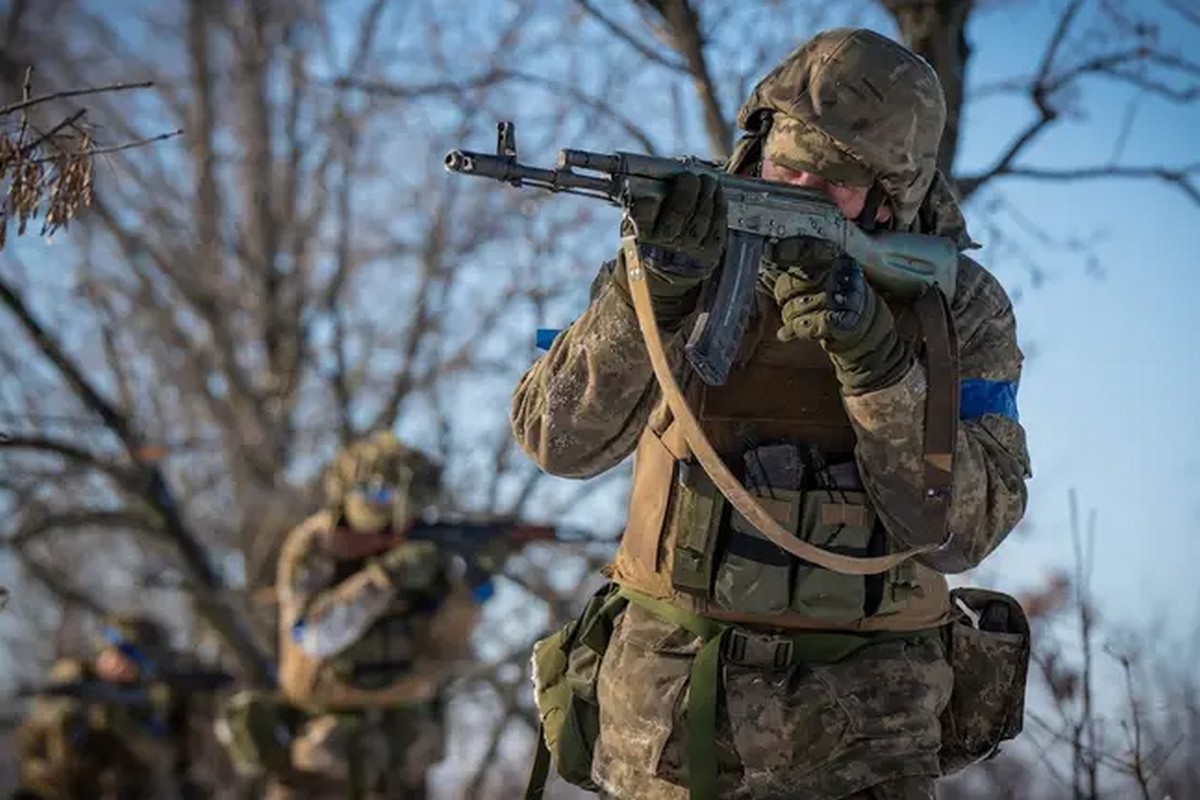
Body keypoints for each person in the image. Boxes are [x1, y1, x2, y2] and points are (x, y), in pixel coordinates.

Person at [513, 26, 1033, 800]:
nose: (795, 193)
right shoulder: (675, 254)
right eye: (784, 164)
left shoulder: (960, 308)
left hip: (868, 735)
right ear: (755, 145)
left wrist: (879, 368)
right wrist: (649, 293)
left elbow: (971, 528)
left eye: (832, 187)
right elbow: (555, 438)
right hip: (667, 721)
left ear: (892, 201)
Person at [254, 430, 492, 799]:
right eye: (379, 496)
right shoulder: (315, 544)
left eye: (404, 501)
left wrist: (475, 587)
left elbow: (445, 648)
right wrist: (385, 578)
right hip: (325, 746)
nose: (393, 514)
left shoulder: (427, 546)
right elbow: (315, 634)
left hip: (403, 737)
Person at [13, 613, 213, 800]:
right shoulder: (75, 682)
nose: (120, 664)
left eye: (133, 658)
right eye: (113, 653)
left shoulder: (159, 700)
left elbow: (172, 760)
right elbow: (41, 743)